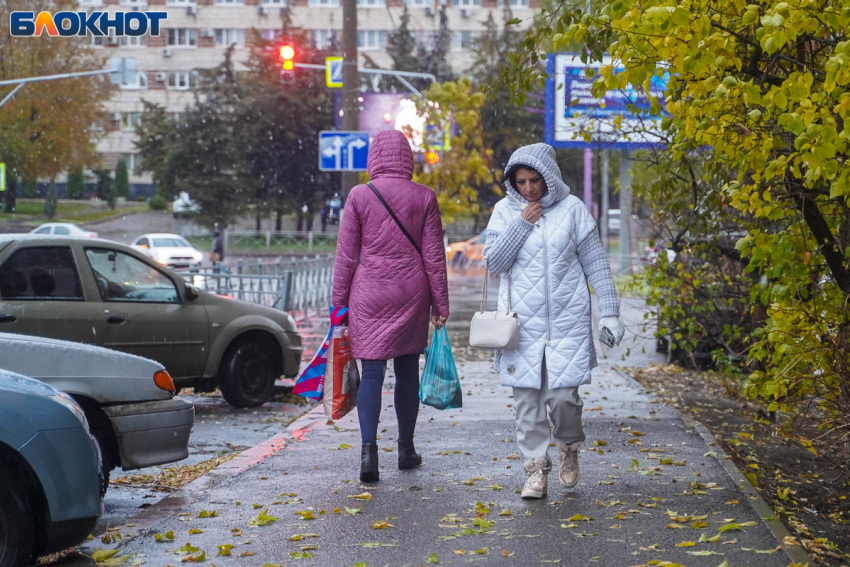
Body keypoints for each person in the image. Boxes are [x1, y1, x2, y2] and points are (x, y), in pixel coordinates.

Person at [483, 143, 625, 499]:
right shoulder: (504, 211)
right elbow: (494, 262)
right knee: (527, 403)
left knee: (564, 399)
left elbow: (596, 264)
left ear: (548, 177)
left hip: (568, 322)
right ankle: (535, 470)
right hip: (520, 326)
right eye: (521, 182)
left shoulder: (573, 209)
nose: (528, 188)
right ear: (512, 182)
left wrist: (609, 311)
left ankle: (569, 447)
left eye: (534, 180)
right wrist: (521, 224)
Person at [333, 130, 450, 483]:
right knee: (407, 371)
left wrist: (338, 306)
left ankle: (368, 454)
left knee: (372, 373)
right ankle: (405, 449)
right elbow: (434, 257)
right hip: (411, 291)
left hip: (369, 293)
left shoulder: (359, 195)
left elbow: (346, 257)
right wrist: (440, 304)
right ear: (407, 159)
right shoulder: (424, 196)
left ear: (374, 159)